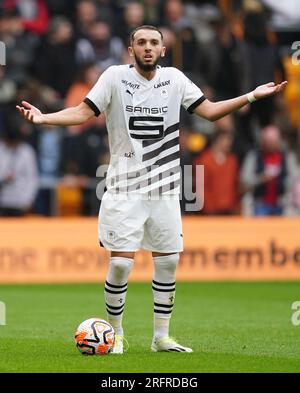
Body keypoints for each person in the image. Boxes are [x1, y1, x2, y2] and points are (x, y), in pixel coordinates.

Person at [16, 25, 287, 354]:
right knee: (120, 264)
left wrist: (251, 96)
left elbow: (211, 111)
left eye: (154, 43)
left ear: (162, 49)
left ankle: (161, 337)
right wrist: (44, 119)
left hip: (165, 189)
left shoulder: (175, 79)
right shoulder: (114, 77)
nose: (147, 47)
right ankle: (114, 335)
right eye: (141, 42)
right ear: (131, 50)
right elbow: (83, 112)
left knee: (168, 261)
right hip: (123, 187)